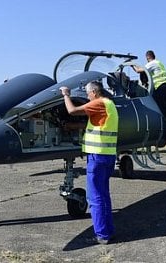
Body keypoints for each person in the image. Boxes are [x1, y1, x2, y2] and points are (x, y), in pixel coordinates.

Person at [60, 81, 118, 245]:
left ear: (94, 92)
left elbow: (71, 110)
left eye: (87, 93)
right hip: (107, 156)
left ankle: (102, 235)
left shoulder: (99, 103)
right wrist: (74, 126)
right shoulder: (109, 104)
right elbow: (95, 124)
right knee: (104, 196)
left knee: (95, 198)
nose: (87, 96)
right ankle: (109, 231)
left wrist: (66, 94)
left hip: (97, 157)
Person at [132, 50, 166, 137]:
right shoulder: (159, 63)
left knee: (156, 98)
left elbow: (139, 70)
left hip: (161, 85)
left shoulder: (152, 63)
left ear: (148, 57)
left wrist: (132, 64)